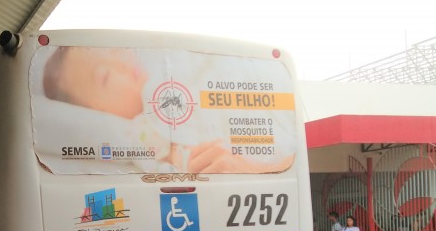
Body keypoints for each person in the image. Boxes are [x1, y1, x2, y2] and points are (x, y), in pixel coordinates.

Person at [40, 46, 295, 174]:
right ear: (98, 112)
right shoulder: (138, 134)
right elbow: (172, 158)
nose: (121, 63)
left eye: (114, 52)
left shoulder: (175, 69)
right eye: (105, 76)